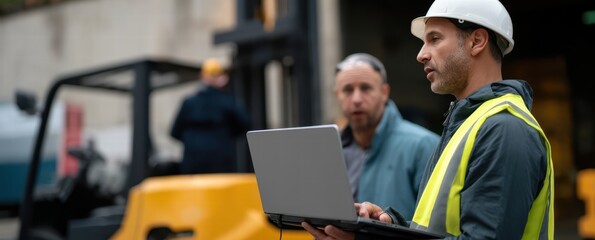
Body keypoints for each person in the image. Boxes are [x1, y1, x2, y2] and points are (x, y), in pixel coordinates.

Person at [302, 0, 554, 239]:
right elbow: (438, 229)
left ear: (476, 41)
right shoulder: (467, 125)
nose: (421, 54)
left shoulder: (503, 129)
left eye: (434, 39)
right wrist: (384, 226)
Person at [334, 53, 440, 221]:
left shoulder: (424, 146)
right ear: (336, 95)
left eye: (365, 88)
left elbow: (437, 226)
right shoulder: (333, 150)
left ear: (384, 92)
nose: (356, 99)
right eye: (347, 90)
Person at [170, 58, 251, 174]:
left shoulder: (189, 102)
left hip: (192, 163)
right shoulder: (228, 102)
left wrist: (194, 140)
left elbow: (174, 132)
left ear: (202, 76)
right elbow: (245, 124)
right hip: (221, 162)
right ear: (222, 78)